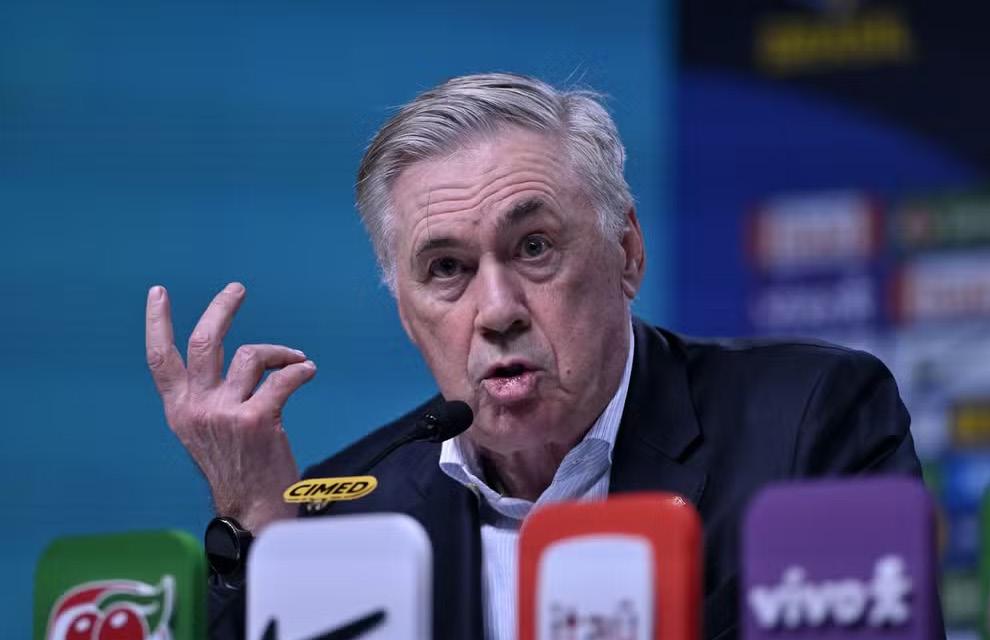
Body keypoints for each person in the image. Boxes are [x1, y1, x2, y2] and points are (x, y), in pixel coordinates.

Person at [145, 73, 925, 640]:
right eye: (446, 268)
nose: (497, 311)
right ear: (407, 316)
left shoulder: (806, 422)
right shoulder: (344, 516)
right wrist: (262, 528)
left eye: (534, 247)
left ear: (627, 252)